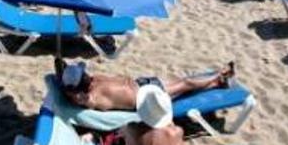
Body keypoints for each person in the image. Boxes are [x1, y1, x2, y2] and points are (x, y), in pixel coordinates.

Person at [55, 58, 234, 112]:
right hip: (147, 98)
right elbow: (76, 99)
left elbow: (61, 67)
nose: (86, 73)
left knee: (183, 82)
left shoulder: (92, 80)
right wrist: (67, 89)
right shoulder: (88, 97)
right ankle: (220, 74)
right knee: (186, 83)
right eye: (82, 74)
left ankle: (217, 83)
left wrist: (62, 70)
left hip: (142, 82)